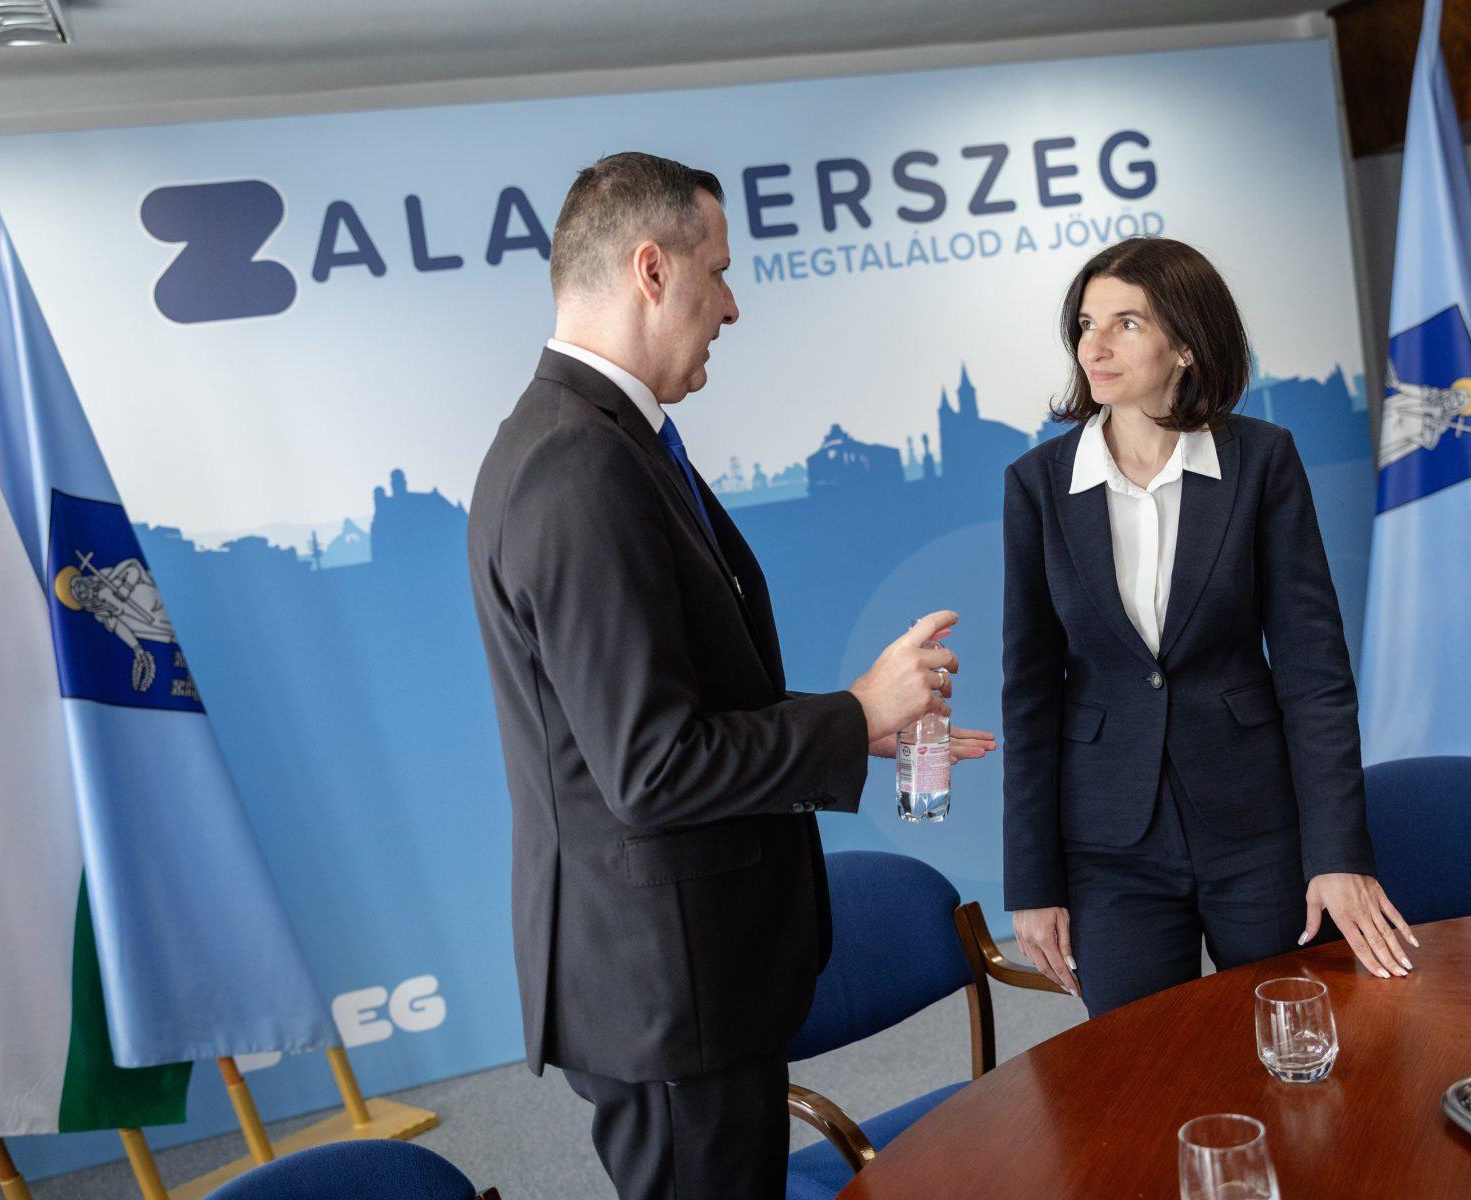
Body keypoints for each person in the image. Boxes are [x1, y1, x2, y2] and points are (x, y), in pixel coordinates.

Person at [467, 151, 995, 1200]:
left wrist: (858, 724)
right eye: (718, 272)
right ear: (651, 270)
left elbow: (679, 709)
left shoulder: (601, 438)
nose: (733, 306)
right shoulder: (579, 464)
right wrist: (850, 713)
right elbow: (651, 766)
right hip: (666, 991)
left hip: (687, 980)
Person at [999, 236, 1415, 1018]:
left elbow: (1314, 675)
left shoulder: (1263, 460)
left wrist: (1336, 854)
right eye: (1086, 324)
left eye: (1126, 323)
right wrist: (1032, 882)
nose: (1094, 345)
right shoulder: (1037, 486)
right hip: (1109, 848)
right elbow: (1029, 695)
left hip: (1257, 827)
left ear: (1187, 344)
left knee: (1305, 1044)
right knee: (1140, 1066)